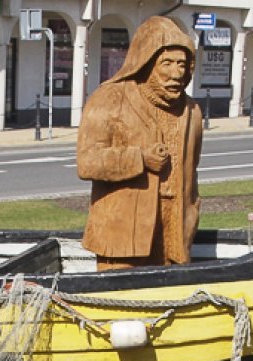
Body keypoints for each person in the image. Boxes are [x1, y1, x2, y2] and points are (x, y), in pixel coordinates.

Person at [77, 16, 203, 271]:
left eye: (182, 64)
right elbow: (87, 162)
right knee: (119, 293)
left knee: (168, 292)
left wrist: (190, 217)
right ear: (146, 62)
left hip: (174, 232)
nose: (176, 73)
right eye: (166, 63)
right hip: (123, 230)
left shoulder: (191, 111)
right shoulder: (110, 98)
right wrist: (140, 158)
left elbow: (192, 175)